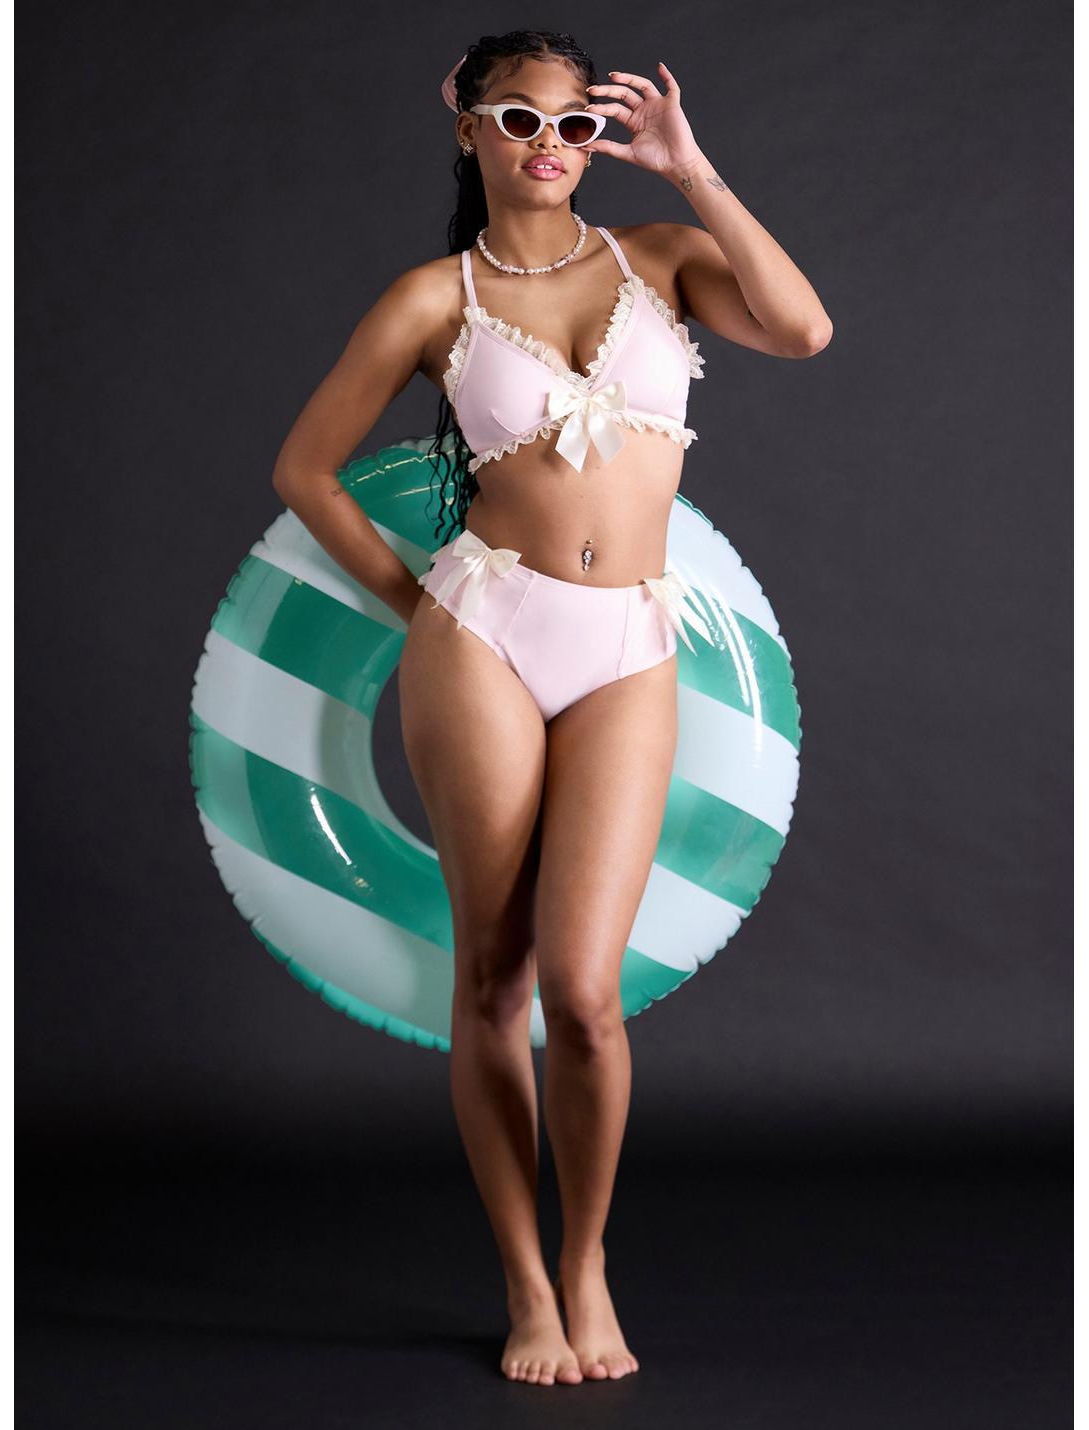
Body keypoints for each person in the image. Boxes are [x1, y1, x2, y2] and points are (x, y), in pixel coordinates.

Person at [271, 30, 831, 1389]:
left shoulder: (663, 258)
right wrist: (421, 609)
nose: (549, 144)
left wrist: (692, 170)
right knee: (495, 975)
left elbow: (804, 329)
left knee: (585, 993)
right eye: (518, 117)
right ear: (466, 124)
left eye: (575, 123)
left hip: (629, 640)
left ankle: (588, 1265)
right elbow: (304, 469)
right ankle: (526, 1285)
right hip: (485, 635)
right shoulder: (433, 298)